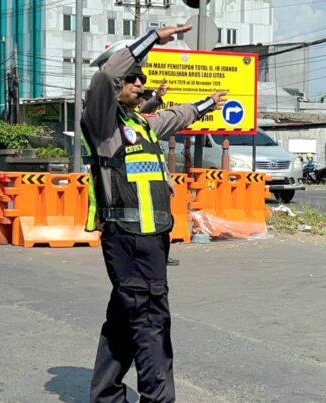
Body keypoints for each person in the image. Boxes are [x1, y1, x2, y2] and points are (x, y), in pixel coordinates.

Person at [82, 25, 227, 402]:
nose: (139, 84)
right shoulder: (101, 123)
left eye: (142, 79)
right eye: (132, 77)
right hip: (127, 237)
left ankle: (106, 395)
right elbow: (105, 78)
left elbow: (176, 117)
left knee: (124, 318)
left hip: (152, 237)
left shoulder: (139, 124)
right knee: (150, 321)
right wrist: (150, 40)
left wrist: (207, 103)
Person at [137, 80, 180, 267]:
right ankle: (151, 256)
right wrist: (156, 98)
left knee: (165, 223)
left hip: (158, 186)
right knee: (149, 226)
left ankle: (162, 255)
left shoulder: (151, 130)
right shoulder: (133, 125)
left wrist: (168, 181)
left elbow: (159, 160)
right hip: (141, 187)